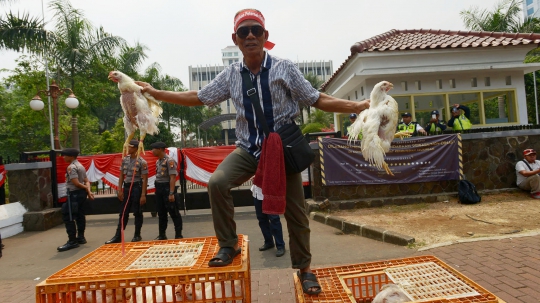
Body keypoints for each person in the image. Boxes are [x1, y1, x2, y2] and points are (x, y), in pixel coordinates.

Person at [136, 8, 369, 295]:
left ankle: (305, 269)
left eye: (255, 30)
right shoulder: (232, 74)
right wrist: (156, 93)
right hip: (248, 149)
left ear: (265, 36)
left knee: (296, 213)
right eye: (243, 31)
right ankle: (229, 244)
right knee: (217, 182)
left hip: (282, 152)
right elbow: (199, 97)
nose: (249, 36)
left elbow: (316, 98)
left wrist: (356, 106)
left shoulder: (284, 68)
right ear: (235, 39)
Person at [105, 140, 148, 244]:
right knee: (123, 213)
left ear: (136, 148)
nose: (127, 149)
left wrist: (143, 195)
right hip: (127, 187)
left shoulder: (142, 162)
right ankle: (118, 236)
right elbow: (121, 175)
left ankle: (137, 235)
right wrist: (119, 189)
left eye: (130, 147)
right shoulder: (125, 160)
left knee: (137, 212)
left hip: (137, 188)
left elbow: (145, 179)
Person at [57, 148, 95, 252]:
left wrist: (87, 189)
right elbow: (87, 181)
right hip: (81, 194)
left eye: (65, 155)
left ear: (71, 156)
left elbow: (76, 183)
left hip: (74, 195)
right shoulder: (80, 166)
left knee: (68, 216)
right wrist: (88, 191)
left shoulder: (71, 167)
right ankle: (81, 237)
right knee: (80, 215)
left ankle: (72, 241)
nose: (63, 157)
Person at [150, 141, 183, 240]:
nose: (152, 151)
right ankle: (162, 234)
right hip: (159, 188)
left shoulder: (170, 161)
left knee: (174, 212)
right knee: (161, 212)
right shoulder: (158, 161)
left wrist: (171, 193)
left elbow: (172, 178)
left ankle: (178, 234)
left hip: (167, 188)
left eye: (154, 149)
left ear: (160, 149)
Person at [252, 187, 285, 257]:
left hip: (269, 193)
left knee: (274, 219)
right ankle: (268, 241)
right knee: (261, 219)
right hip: (257, 193)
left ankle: (280, 245)